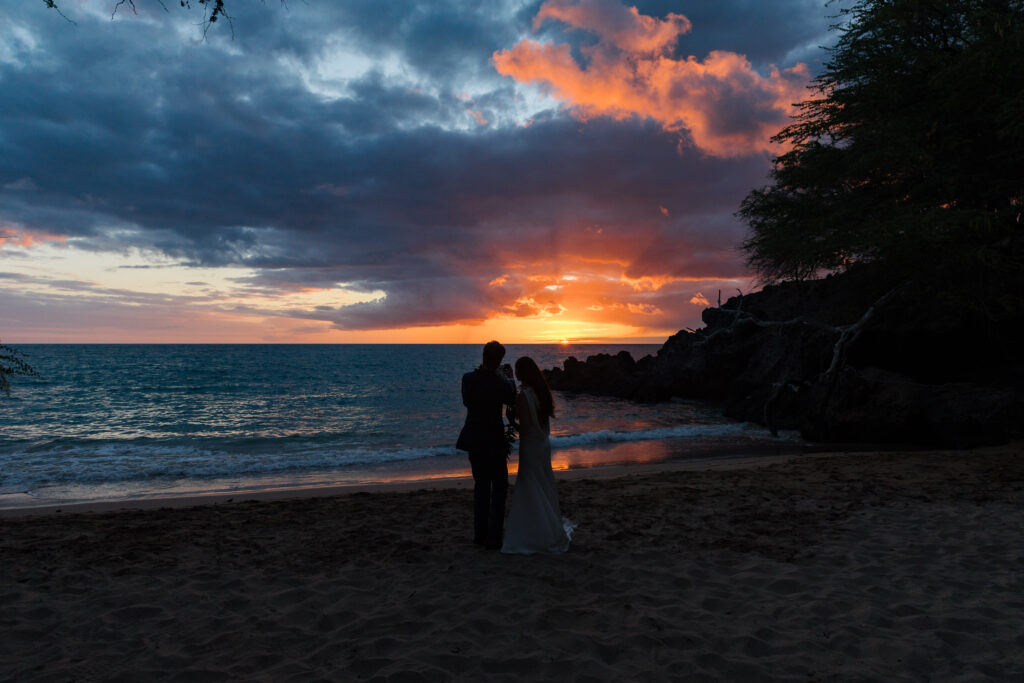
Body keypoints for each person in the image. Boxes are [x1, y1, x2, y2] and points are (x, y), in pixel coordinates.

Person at [501, 356, 574, 554]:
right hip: (543, 444)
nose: (515, 373)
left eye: (517, 370)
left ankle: (534, 533)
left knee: (529, 485)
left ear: (522, 372)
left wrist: (510, 420)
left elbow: (524, 429)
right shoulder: (542, 393)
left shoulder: (524, 395)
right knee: (542, 483)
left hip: (531, 446)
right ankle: (548, 528)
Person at [456, 341, 516, 549]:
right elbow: (512, 399)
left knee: (481, 486)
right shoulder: (501, 383)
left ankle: (480, 535)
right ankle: (494, 536)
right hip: (494, 439)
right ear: (499, 360)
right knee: (499, 488)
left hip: (474, 438)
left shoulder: (468, 379)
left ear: (483, 356)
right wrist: (509, 377)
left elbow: (467, 402)